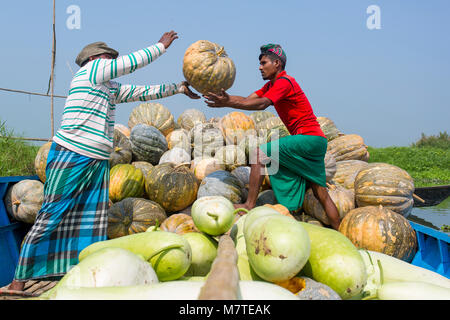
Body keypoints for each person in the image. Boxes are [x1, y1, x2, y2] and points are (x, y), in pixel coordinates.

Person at [8, 30, 199, 291]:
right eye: (109, 57)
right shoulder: (91, 71)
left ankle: (78, 276)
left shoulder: (107, 87)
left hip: (96, 159)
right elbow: (129, 64)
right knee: (52, 212)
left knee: (91, 218)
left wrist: (176, 88)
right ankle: (19, 281)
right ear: (97, 58)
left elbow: (141, 92)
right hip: (73, 153)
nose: (111, 62)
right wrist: (160, 47)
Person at [204, 43, 341, 230]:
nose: (260, 67)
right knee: (320, 193)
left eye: (263, 62)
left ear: (277, 63)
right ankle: (340, 232)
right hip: (317, 141)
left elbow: (261, 104)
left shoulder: (285, 82)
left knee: (259, 154)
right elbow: (248, 100)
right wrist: (226, 101)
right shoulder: (271, 85)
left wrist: (228, 102)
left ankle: (249, 205)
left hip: (307, 138)